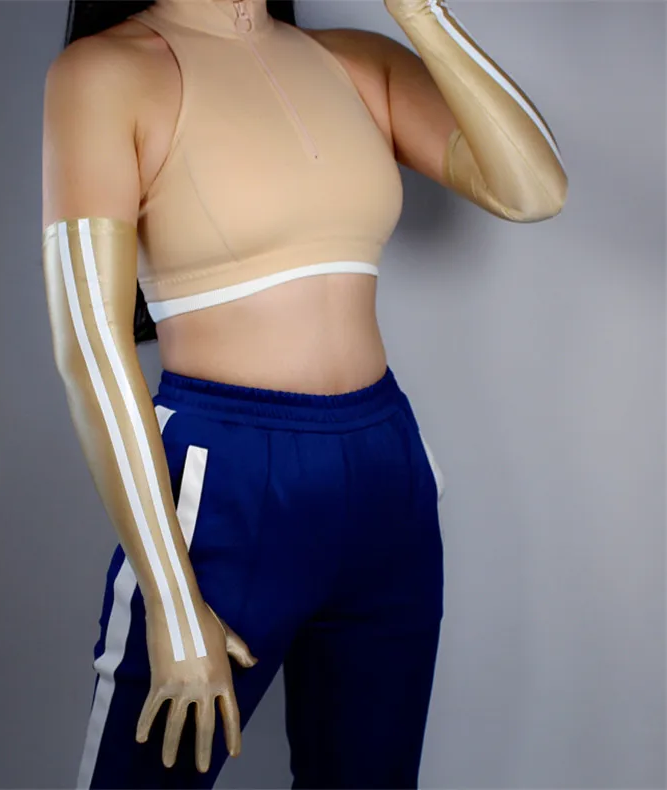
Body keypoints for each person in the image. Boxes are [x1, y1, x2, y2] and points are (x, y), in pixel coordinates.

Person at [40, 0, 567, 785]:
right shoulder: (107, 74)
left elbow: (533, 190)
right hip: (227, 478)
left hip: (386, 469)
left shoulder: (353, 61)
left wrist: (421, 13)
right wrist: (174, 604)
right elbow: (91, 346)